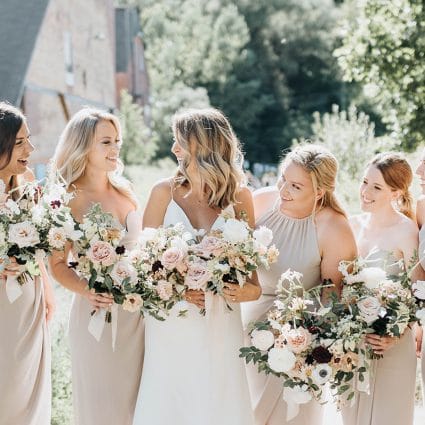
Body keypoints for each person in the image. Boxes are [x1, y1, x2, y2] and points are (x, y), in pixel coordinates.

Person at [133, 108, 259, 425]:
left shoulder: (240, 197)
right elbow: (140, 268)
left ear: (204, 147)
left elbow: (254, 282)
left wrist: (242, 289)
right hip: (171, 321)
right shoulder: (163, 192)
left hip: (221, 321)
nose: (174, 149)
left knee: (219, 401)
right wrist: (179, 290)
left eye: (180, 142)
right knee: (171, 401)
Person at [241, 144, 357, 425]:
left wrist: (308, 348)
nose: (283, 190)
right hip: (243, 327)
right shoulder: (259, 202)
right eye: (282, 178)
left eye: (295, 186)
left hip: (297, 340)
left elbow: (332, 298)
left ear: (319, 192)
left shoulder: (333, 227)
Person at [49, 108, 144, 425]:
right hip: (96, 316)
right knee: (101, 407)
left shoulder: (126, 192)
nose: (115, 148)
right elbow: (58, 265)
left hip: (138, 318)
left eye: (117, 140)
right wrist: (88, 289)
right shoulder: (68, 198)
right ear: (83, 146)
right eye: (106, 142)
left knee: (137, 407)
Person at [341, 152, 418, 425]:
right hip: (353, 344)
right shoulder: (351, 225)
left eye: (376, 187)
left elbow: (419, 291)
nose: (365, 192)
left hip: (392, 345)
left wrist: (395, 334)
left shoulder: (406, 230)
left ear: (396, 192)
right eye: (364, 182)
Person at [0, 102, 53, 425]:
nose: (30, 149)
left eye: (28, 140)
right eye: (19, 142)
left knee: (28, 387)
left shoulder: (27, 184)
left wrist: (47, 291)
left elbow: (35, 246)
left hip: (29, 302)